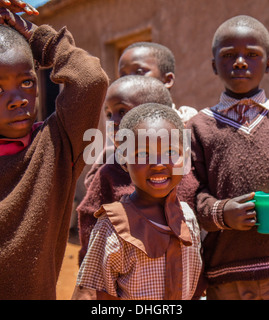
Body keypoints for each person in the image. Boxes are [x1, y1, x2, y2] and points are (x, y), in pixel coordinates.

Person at [0, 1, 108, 299]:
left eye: (26, 82)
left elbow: (90, 79)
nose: (18, 99)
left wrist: (39, 37)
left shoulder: (57, 146)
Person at [186, 15, 269, 300]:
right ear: (214, 65)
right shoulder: (199, 126)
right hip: (227, 275)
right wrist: (222, 213)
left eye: (252, 54)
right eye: (228, 55)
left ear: (268, 63)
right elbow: (191, 193)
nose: (240, 61)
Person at [72, 103, 202, 300]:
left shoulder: (188, 218)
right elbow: (94, 295)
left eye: (171, 152)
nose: (158, 164)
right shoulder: (113, 227)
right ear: (124, 160)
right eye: (142, 154)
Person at [77, 75, 199, 265]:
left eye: (122, 111)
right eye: (109, 114)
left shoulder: (181, 170)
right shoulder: (108, 172)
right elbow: (89, 221)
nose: (114, 121)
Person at [118, 41, 198, 125]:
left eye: (139, 72)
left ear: (167, 80)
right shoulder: (119, 128)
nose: (128, 80)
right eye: (123, 76)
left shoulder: (190, 124)